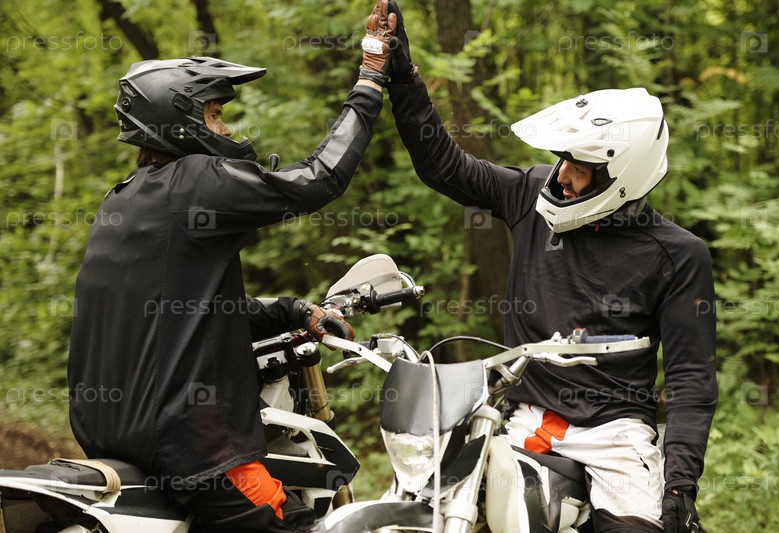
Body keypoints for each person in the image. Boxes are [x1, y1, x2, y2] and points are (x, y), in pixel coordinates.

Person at [382, 3, 717, 532]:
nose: (561, 176)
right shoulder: (531, 195)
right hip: (528, 419)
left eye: (579, 168)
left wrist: (680, 483)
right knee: (446, 508)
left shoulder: (677, 255)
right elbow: (443, 165)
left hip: (615, 433)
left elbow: (690, 378)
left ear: (622, 177)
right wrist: (403, 77)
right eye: (563, 159)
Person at [67, 2, 399, 531]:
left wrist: (291, 311)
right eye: (214, 114)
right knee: (300, 524)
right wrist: (370, 78)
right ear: (177, 122)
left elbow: (182, 312)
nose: (224, 126)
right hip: (191, 447)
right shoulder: (195, 181)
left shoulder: (123, 199)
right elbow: (319, 179)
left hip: (113, 437)